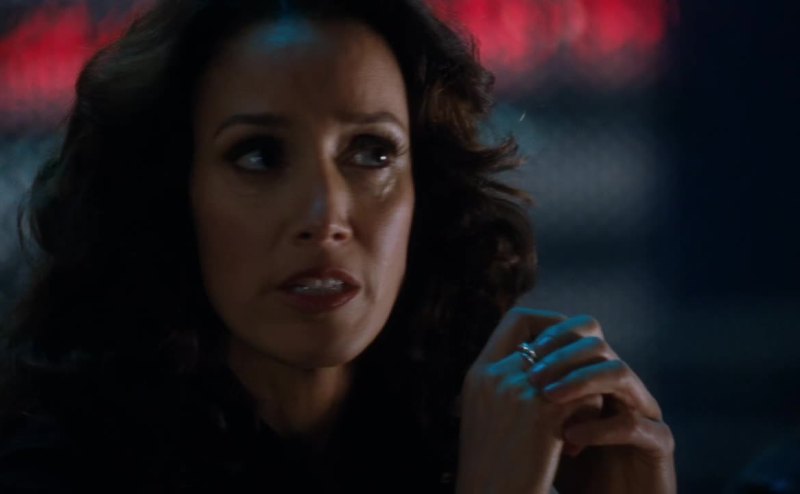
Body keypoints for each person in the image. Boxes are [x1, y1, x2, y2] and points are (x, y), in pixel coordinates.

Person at [0, 0, 676, 492]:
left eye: (372, 152)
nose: (326, 217)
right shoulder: (53, 469)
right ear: (172, 194)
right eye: (259, 156)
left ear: (425, 192)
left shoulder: (467, 442)